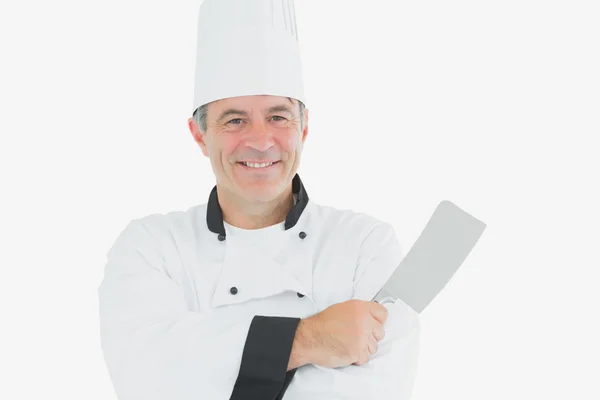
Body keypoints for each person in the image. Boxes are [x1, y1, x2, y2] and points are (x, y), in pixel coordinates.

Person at [97, 0, 420, 399]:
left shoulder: (366, 243)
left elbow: (381, 388)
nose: (261, 141)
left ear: (303, 130)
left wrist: (209, 361)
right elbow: (144, 376)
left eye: (278, 117)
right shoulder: (150, 246)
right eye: (235, 120)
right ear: (200, 136)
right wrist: (307, 339)